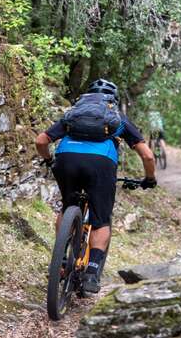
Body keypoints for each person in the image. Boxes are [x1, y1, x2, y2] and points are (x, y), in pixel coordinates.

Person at [35, 79, 156, 293]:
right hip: (101, 164)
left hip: (66, 159)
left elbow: (41, 141)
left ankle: (61, 260)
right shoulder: (117, 117)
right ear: (113, 99)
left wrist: (48, 161)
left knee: (67, 206)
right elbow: (147, 156)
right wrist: (149, 178)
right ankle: (91, 272)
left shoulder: (73, 114)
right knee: (101, 220)